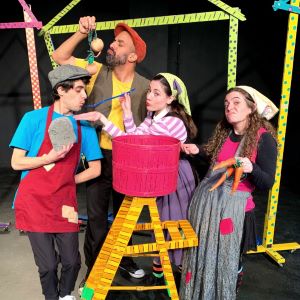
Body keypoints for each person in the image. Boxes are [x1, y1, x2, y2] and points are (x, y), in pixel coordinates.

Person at [52, 16, 149, 286]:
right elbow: (60, 57)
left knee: (124, 217)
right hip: (96, 158)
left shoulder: (145, 86)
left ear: (132, 56)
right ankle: (93, 271)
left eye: (119, 43)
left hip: (129, 161)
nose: (112, 45)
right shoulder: (96, 71)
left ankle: (124, 261)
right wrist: (81, 32)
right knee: (95, 220)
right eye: (114, 41)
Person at [74, 73, 198, 284]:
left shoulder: (172, 123)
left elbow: (130, 143)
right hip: (158, 175)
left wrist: (102, 119)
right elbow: (136, 134)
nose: (148, 96)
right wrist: (128, 112)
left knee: (172, 227)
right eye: (149, 90)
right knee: (162, 227)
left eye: (156, 93)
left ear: (170, 99)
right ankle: (163, 272)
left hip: (173, 179)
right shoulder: (153, 116)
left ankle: (181, 275)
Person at [9, 64, 102, 300]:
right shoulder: (33, 119)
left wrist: (66, 180)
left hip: (64, 203)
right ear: (61, 89)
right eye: (79, 89)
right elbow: (17, 163)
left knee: (72, 261)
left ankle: (65, 295)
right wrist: (48, 159)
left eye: (85, 90)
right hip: (33, 203)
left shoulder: (84, 126)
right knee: (49, 265)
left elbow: (95, 169)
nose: (84, 96)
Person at [179, 86, 278, 300]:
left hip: (235, 212)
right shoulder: (225, 131)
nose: (229, 107)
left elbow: (267, 181)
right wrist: (199, 150)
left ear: (251, 108)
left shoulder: (264, 139)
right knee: (204, 256)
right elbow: (216, 157)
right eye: (226, 104)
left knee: (229, 261)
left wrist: (252, 168)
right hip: (208, 206)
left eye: (236, 102)